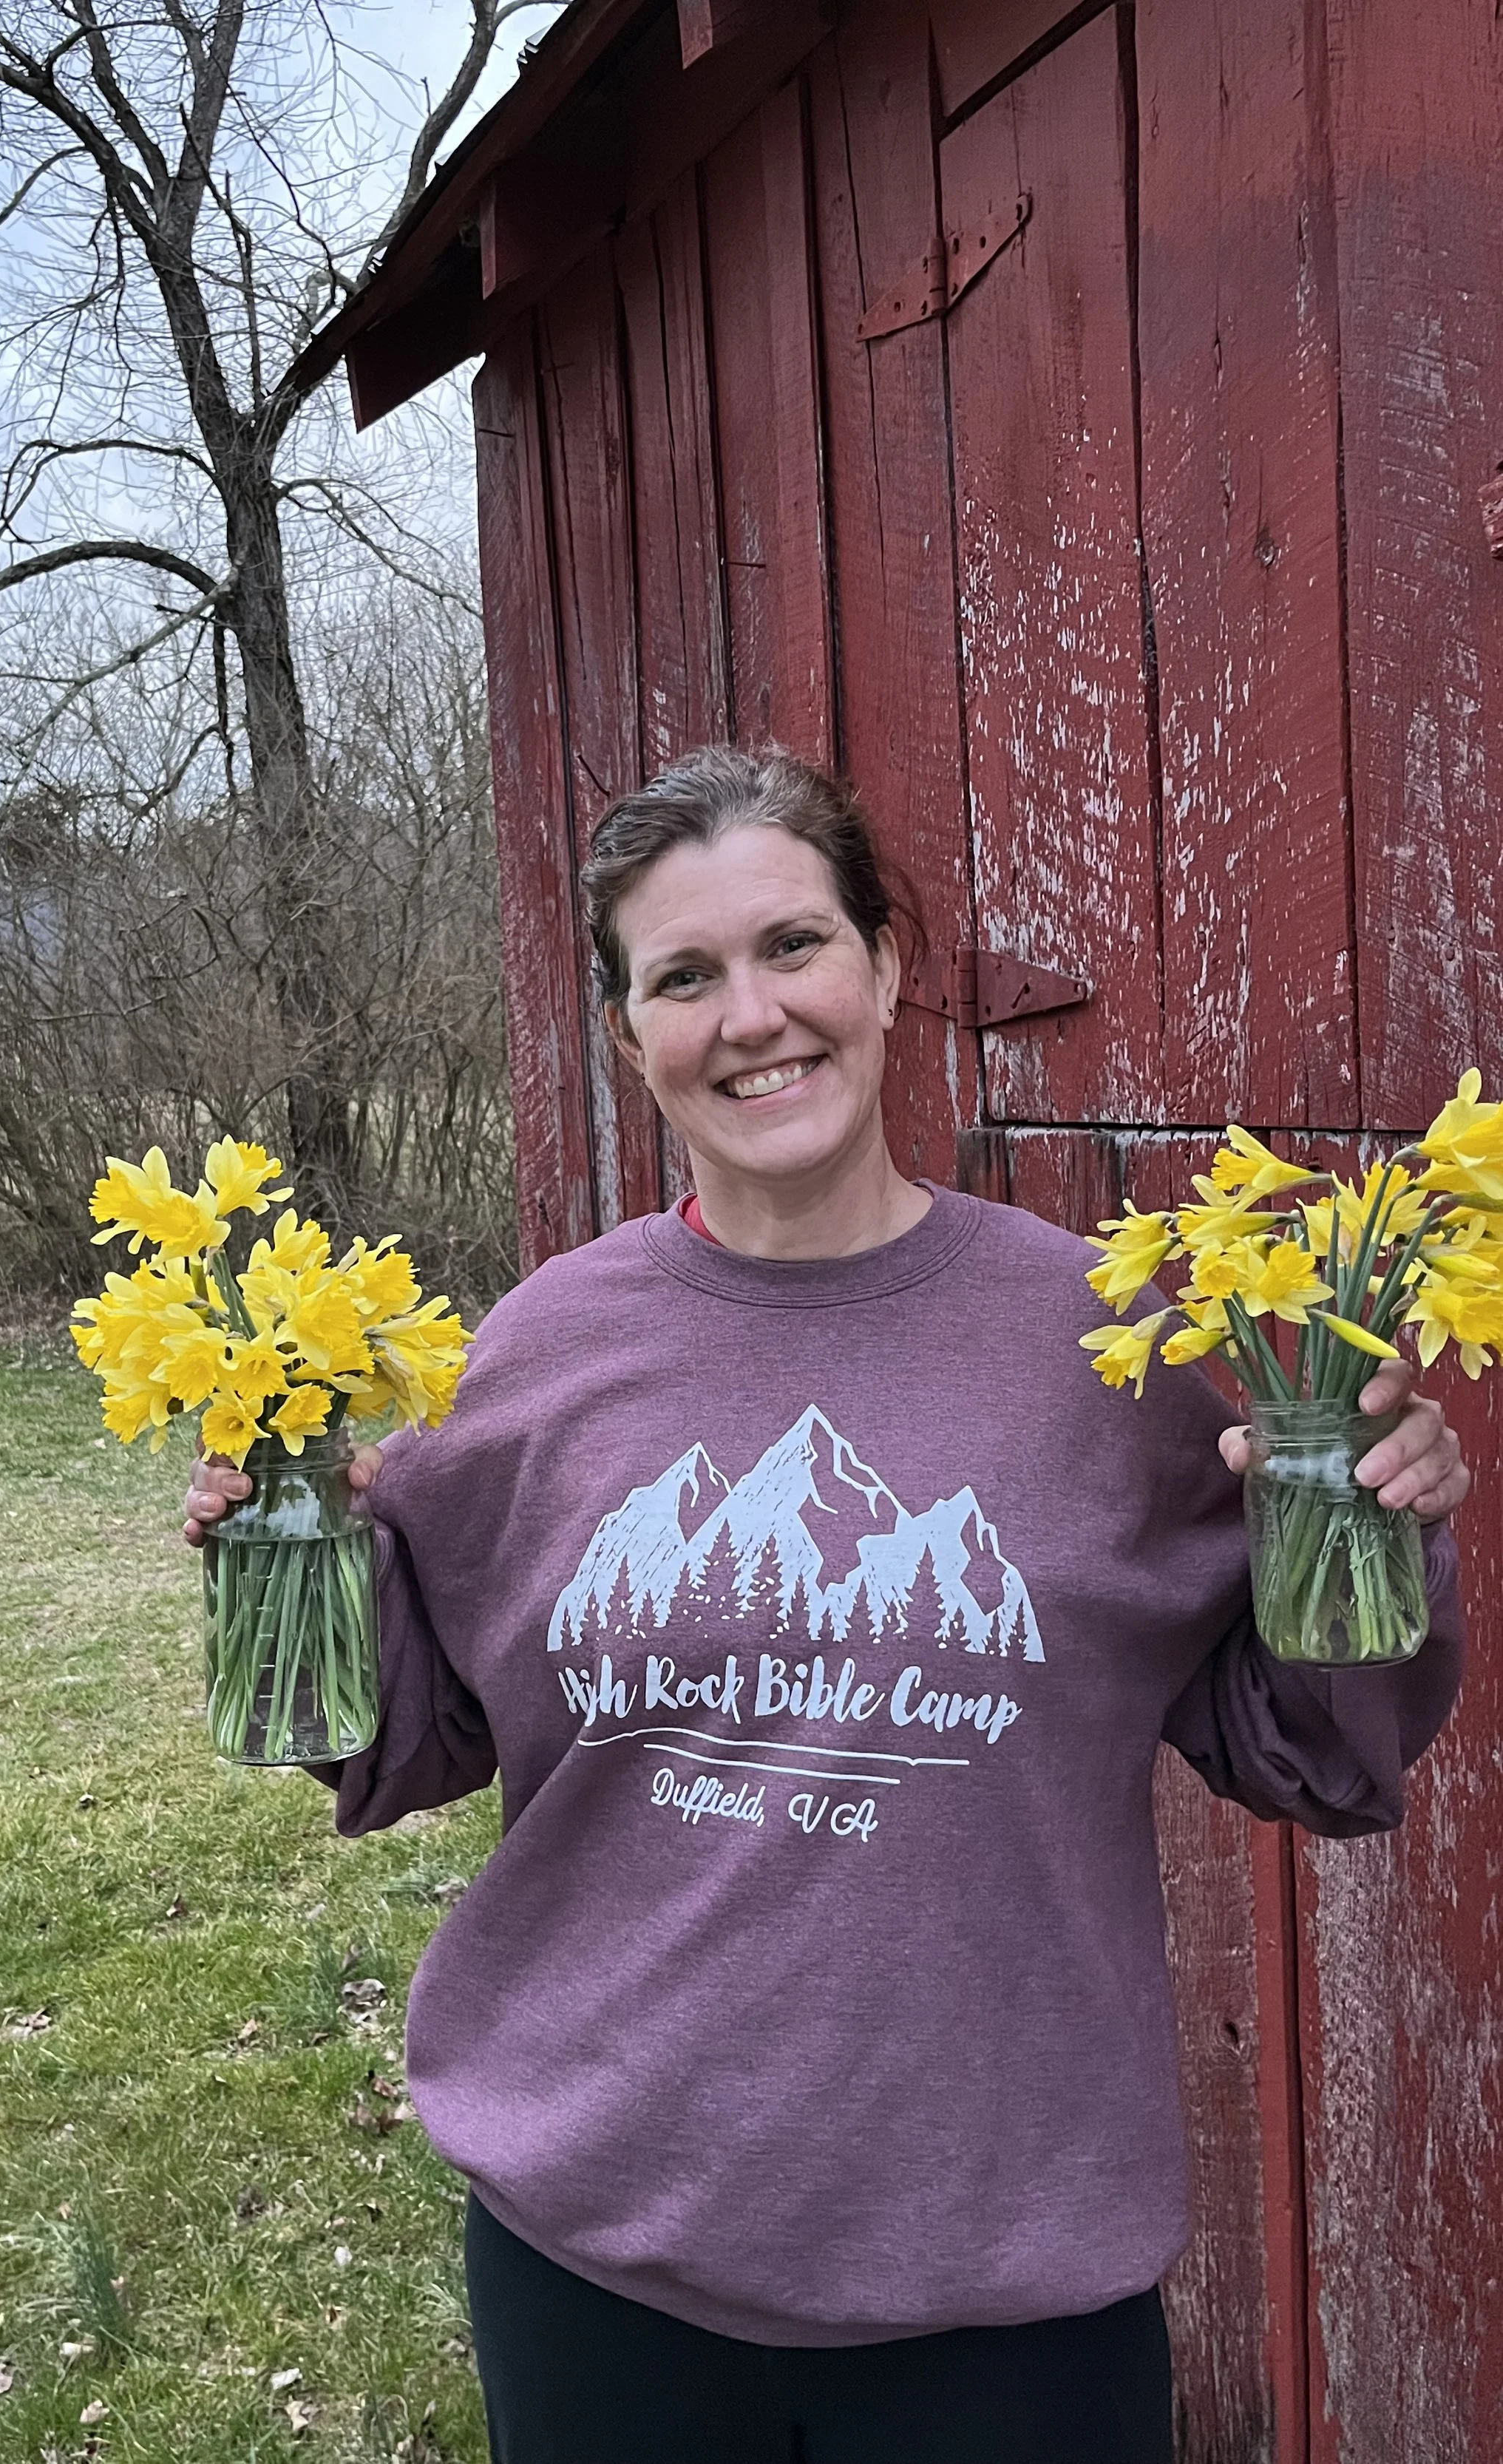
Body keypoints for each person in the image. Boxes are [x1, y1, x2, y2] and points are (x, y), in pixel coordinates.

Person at [183, 746, 1470, 2464]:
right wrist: (292, 1566)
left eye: (793, 945)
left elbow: (1306, 1751)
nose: (750, 1015)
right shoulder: (541, 1350)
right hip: (598, 2253)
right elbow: (423, 1734)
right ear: (628, 1034)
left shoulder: (1109, 1336)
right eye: (682, 977)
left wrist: (1370, 1525)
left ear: (884, 968)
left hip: (1001, 2285)